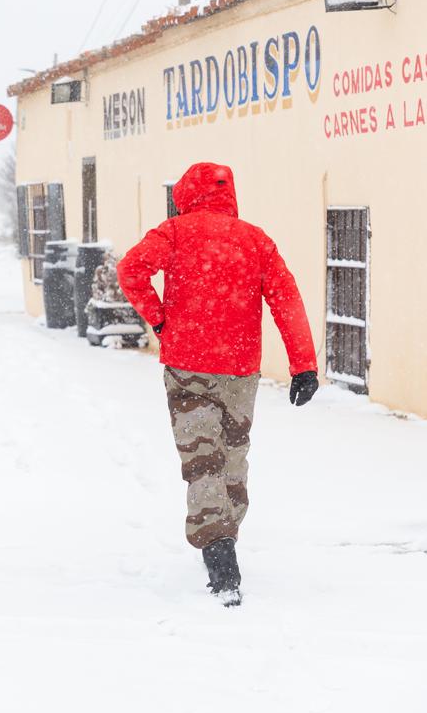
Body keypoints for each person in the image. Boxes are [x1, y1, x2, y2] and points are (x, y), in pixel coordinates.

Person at [118, 162, 319, 607]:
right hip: (240, 369)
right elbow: (286, 298)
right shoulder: (256, 240)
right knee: (232, 453)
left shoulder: (172, 232)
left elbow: (130, 271)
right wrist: (304, 365)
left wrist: (159, 319)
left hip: (187, 366)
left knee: (201, 457)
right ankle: (225, 535)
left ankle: (218, 551)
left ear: (186, 194)